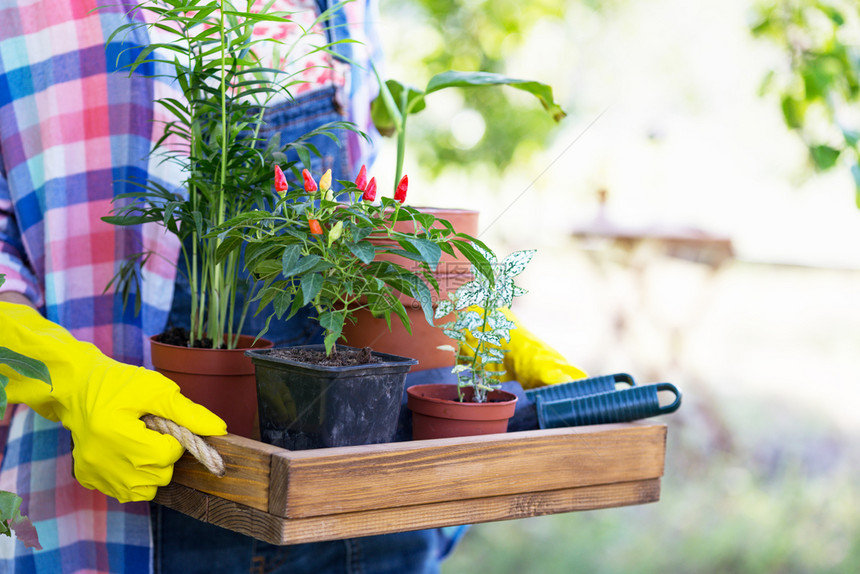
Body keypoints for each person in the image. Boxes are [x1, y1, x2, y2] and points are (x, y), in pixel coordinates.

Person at [0, 1, 585, 573]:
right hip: (159, 478)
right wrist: (68, 379)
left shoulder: (350, 10)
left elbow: (353, 220)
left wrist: (463, 322)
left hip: (373, 502)